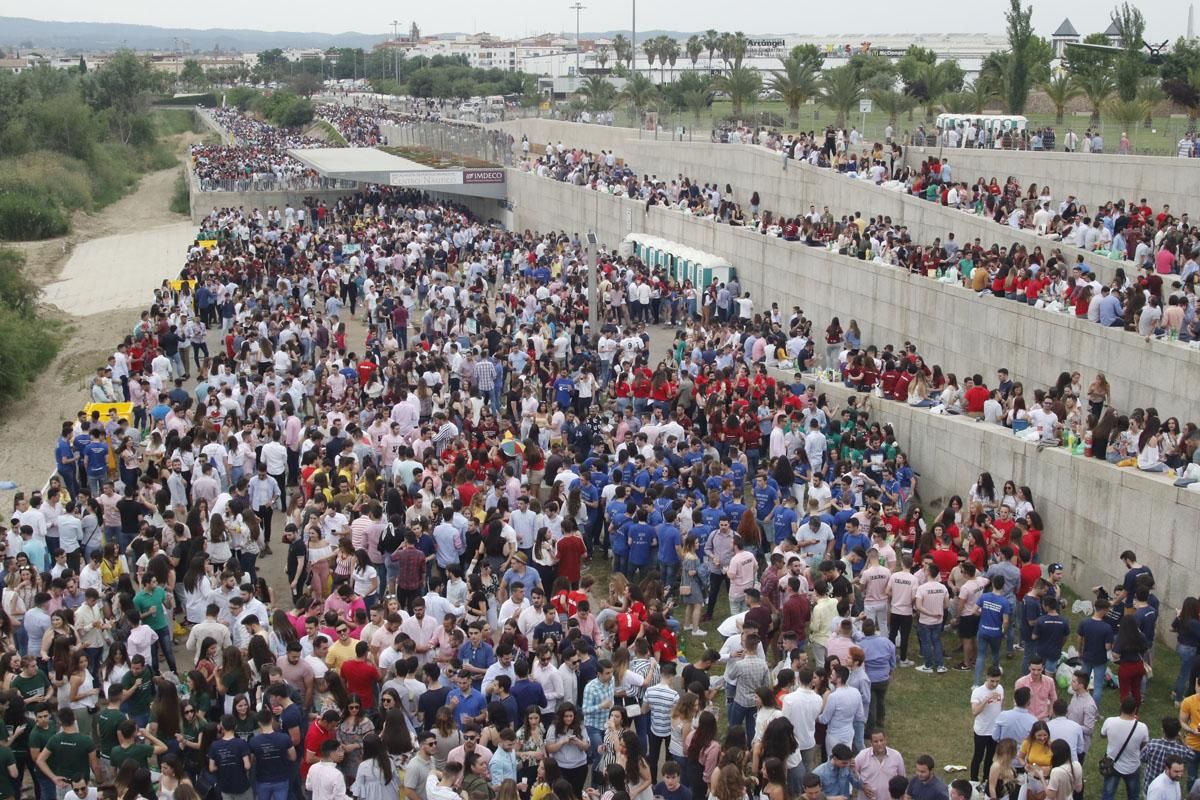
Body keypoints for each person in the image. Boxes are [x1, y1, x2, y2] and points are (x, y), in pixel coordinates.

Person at [1099, 697, 1150, 800]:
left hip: (1112, 764)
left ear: (1121, 707)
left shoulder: (1109, 721)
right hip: (1132, 766)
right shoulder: (1142, 727)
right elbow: (1143, 746)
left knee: (1108, 795)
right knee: (1133, 796)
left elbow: (1102, 735)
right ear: (1135, 710)